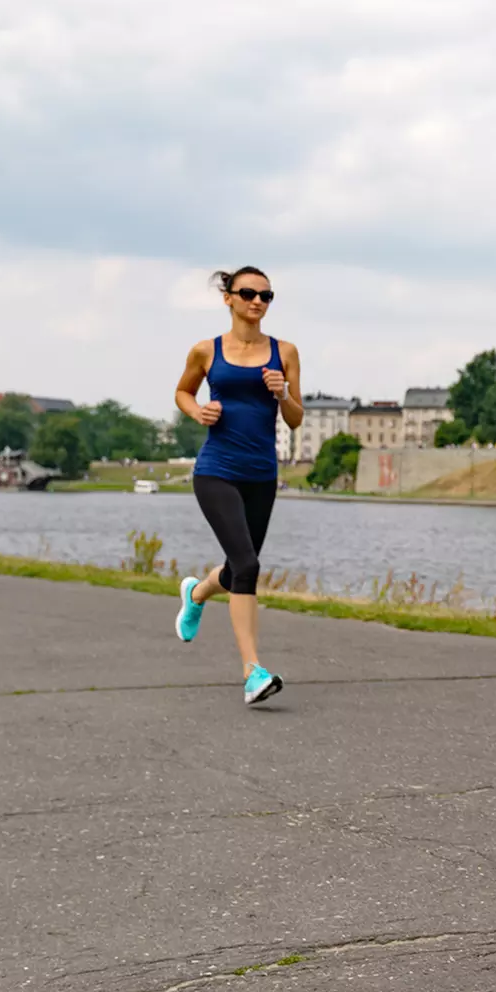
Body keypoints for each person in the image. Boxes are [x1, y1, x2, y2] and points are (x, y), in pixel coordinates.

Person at [172, 266, 303, 707]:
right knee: (247, 566)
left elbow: (296, 417)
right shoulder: (205, 351)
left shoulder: (284, 352)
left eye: (267, 296)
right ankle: (253, 673)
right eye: (248, 293)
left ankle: (197, 592)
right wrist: (198, 413)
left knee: (237, 570)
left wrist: (282, 392)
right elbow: (183, 393)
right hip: (216, 470)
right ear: (228, 298)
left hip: (262, 475)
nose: (258, 302)